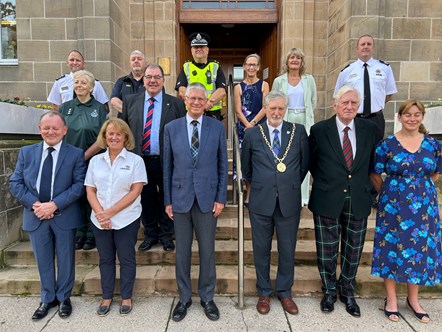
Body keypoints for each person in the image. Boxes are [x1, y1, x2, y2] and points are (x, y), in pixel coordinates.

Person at [9, 111, 86, 320]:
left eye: (55, 128)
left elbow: (79, 185)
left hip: (64, 214)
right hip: (35, 215)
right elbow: (15, 183)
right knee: (42, 259)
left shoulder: (76, 153)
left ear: (64, 130)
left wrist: (54, 205)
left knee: (66, 259)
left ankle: (64, 298)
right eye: (46, 128)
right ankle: (47, 298)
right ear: (39, 129)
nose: (51, 132)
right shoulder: (27, 152)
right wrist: (36, 205)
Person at [370, 100, 441, 323]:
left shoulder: (432, 145)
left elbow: (436, 174)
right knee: (390, 248)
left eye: (416, 114)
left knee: (419, 249)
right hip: (393, 206)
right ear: (399, 117)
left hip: (424, 207)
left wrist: (417, 190)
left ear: (422, 117)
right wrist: (391, 194)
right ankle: (391, 299)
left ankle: (413, 299)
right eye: (407, 115)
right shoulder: (386, 145)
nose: (412, 118)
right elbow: (375, 173)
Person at [308, 86, 376, 317]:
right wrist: (327, 183)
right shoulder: (319, 130)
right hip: (328, 196)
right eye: (345, 102)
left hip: (358, 197)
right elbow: (312, 162)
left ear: (359, 106)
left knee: (353, 250)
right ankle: (328, 291)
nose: (349, 107)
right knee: (326, 250)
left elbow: (373, 163)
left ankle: (347, 290)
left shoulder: (370, 129)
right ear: (335, 104)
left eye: (354, 103)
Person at [241, 90, 309, 315]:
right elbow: (247, 168)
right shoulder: (252, 134)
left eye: (281, 108)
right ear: (266, 108)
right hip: (261, 200)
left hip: (289, 200)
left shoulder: (298, 132)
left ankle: (285, 292)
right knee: (261, 249)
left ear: (285, 109)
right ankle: (263, 292)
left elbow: (304, 164)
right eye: (273, 108)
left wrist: (286, 184)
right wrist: (263, 185)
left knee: (287, 249)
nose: (277, 112)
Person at [163, 83, 228, 322]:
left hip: (207, 199)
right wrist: (167, 199)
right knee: (182, 253)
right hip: (180, 199)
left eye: (202, 99)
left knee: (207, 252)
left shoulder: (216, 128)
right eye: (193, 98)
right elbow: (167, 166)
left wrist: (221, 197)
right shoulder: (171, 128)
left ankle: (207, 297)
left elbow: (223, 165)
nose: (197, 102)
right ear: (185, 100)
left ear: (207, 101)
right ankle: (184, 298)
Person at [119, 63, 186, 252]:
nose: (153, 81)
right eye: (149, 77)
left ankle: (166, 235)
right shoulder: (130, 101)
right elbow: (123, 130)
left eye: (157, 77)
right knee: (146, 199)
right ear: (143, 80)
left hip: (167, 160)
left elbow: (182, 133)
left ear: (163, 81)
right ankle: (150, 234)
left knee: (167, 196)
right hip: (140, 160)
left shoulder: (176, 104)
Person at [85, 118, 147, 316]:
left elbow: (135, 191)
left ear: (125, 137)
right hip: (99, 219)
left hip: (127, 218)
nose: (114, 137)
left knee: (127, 258)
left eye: (118, 134)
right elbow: (90, 191)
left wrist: (110, 212)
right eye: (110, 133)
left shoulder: (135, 161)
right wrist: (101, 214)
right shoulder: (95, 161)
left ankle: (126, 297)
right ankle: (107, 297)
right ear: (104, 137)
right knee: (105, 259)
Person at [59, 69, 108, 250]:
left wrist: (84, 156)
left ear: (91, 87)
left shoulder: (98, 108)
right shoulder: (66, 107)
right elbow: (60, 134)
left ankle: (91, 233)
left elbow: (103, 138)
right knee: (75, 196)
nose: (79, 85)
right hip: (69, 161)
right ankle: (79, 232)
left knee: (91, 196)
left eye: (83, 83)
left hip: (92, 160)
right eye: (76, 82)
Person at [272, 47, 317, 206]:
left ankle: (303, 195)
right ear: (287, 61)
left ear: (302, 61)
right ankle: (283, 193)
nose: (295, 60)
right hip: (286, 117)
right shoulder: (279, 81)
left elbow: (313, 101)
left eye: (298, 58)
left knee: (303, 156)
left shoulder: (308, 79)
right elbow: (274, 100)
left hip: (304, 118)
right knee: (286, 155)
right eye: (292, 58)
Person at [334, 34, 397, 144]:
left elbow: (389, 95)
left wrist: (374, 105)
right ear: (357, 49)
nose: (366, 46)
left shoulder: (384, 68)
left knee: (375, 151)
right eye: (363, 44)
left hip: (376, 118)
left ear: (373, 47)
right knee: (353, 151)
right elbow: (338, 97)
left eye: (369, 44)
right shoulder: (346, 71)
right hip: (354, 118)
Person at [233, 53, 269, 204]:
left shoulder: (264, 85)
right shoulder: (238, 87)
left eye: (254, 64)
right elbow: (238, 110)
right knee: (245, 160)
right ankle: (248, 192)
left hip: (260, 125)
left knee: (260, 159)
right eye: (249, 64)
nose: (251, 67)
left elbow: (265, 107)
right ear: (244, 67)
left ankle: (259, 191)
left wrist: (253, 124)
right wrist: (247, 126)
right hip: (244, 129)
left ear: (259, 67)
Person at [175, 32, 226, 120]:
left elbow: (221, 90)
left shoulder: (215, 66)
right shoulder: (186, 67)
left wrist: (208, 104)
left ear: (207, 50)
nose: (199, 49)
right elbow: (181, 90)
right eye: (196, 47)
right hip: (192, 112)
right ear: (191, 50)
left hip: (212, 113)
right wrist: (196, 103)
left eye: (202, 47)